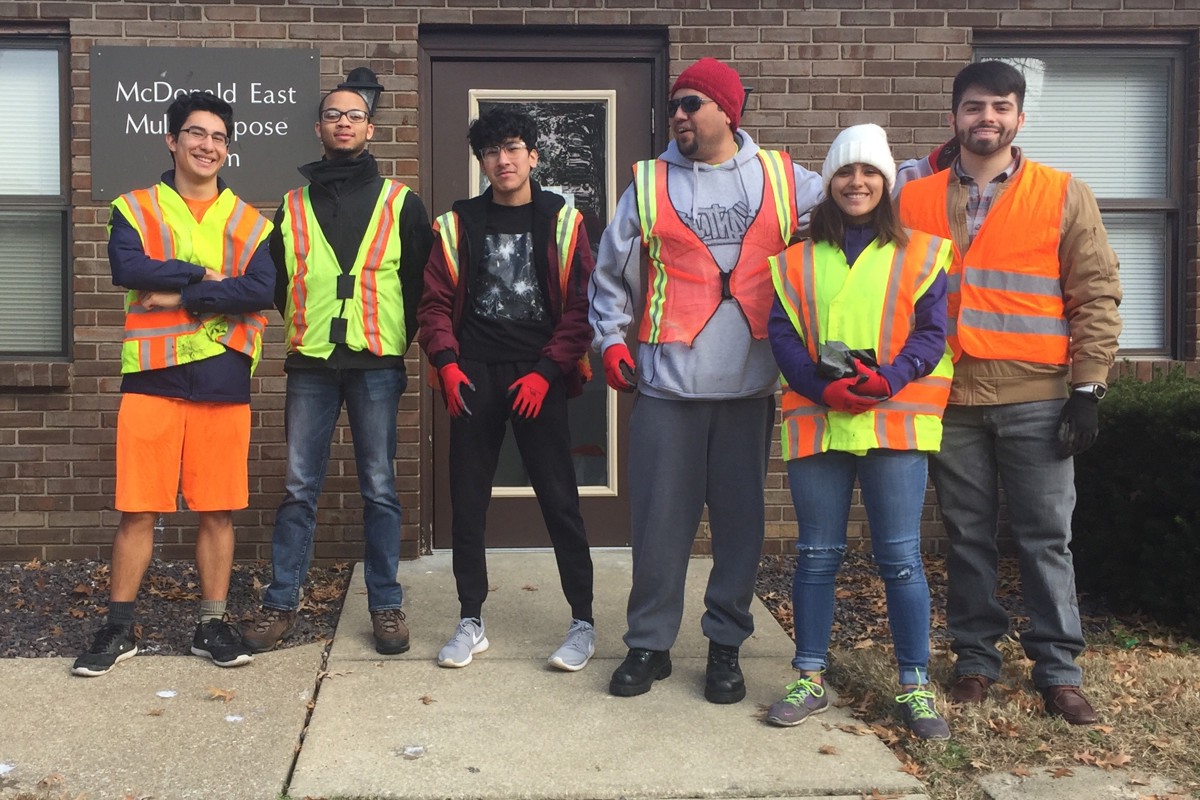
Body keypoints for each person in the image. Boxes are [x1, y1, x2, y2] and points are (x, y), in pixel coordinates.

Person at [589, 57, 826, 703]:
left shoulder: (786, 179)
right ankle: (649, 644)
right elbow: (608, 274)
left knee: (740, 529)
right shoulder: (647, 182)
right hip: (668, 386)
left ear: (728, 109)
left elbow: (861, 200)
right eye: (674, 106)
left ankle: (726, 645)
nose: (679, 115)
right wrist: (609, 340)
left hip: (750, 390)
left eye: (692, 103)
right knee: (660, 527)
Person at [898, 61, 1122, 725]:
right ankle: (974, 661)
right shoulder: (914, 199)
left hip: (1038, 396)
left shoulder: (1062, 192)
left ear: (1019, 117)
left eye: (999, 106)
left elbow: (1096, 294)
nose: (986, 118)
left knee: (1045, 537)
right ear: (955, 118)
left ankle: (1058, 670)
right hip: (951, 397)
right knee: (965, 537)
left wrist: (1088, 388)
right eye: (974, 106)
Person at [72, 91, 274, 677]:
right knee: (138, 508)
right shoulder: (136, 206)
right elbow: (126, 268)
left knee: (217, 509)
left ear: (227, 148)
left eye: (217, 137)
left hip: (222, 376)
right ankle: (118, 627)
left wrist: (181, 294)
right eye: (196, 133)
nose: (207, 145)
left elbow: (262, 289)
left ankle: (211, 624)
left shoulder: (252, 221)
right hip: (153, 378)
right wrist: (206, 275)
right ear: (172, 140)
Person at [763, 124, 953, 739]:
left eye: (870, 171)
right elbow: (783, 336)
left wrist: (890, 379)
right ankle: (809, 677)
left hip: (893, 420)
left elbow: (932, 333)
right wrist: (822, 388)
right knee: (816, 556)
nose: (857, 182)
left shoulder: (922, 252)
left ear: (887, 181)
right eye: (845, 171)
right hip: (819, 422)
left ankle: (914, 687)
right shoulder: (795, 259)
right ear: (830, 182)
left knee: (900, 558)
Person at [241, 69, 433, 657]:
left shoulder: (402, 202)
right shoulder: (291, 207)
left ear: (370, 128)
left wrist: (395, 337)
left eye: (353, 115)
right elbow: (278, 282)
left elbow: (424, 283)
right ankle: (281, 604)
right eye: (333, 114)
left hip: (377, 364)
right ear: (318, 127)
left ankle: (385, 605)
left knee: (379, 488)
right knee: (299, 488)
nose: (343, 122)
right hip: (311, 366)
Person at [417, 107, 597, 671]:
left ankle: (583, 622)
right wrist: (446, 363)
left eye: (514, 148)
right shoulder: (457, 225)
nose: (504, 159)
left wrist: (547, 372)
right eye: (492, 151)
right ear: (481, 162)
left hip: (537, 373)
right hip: (475, 374)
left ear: (533, 156)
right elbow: (434, 303)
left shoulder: (562, 221)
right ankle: (471, 619)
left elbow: (580, 307)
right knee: (467, 502)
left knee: (560, 500)